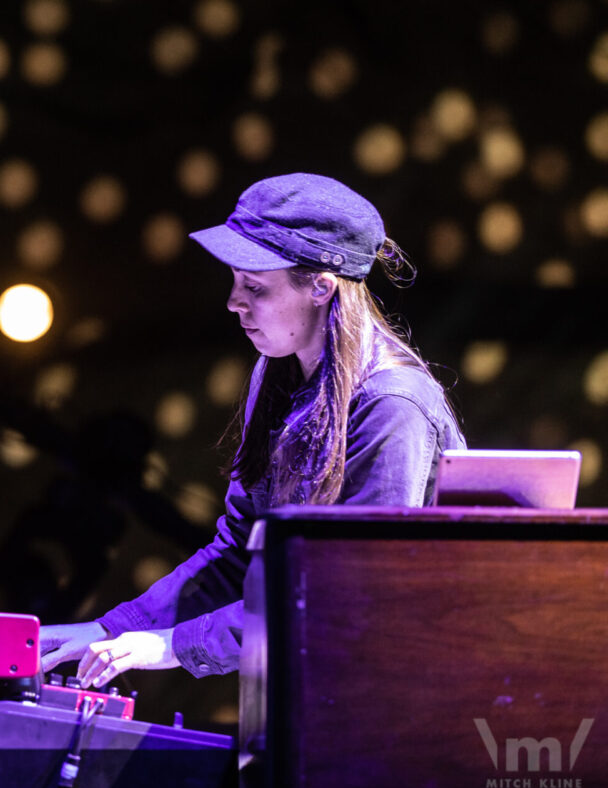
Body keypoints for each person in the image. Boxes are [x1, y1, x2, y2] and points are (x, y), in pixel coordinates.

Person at [39, 173, 465, 688]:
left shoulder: (392, 405)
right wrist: (113, 628)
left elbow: (350, 592)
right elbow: (241, 550)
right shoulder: (279, 371)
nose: (234, 303)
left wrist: (173, 645)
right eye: (235, 283)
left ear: (320, 287)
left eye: (255, 287)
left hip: (392, 702)